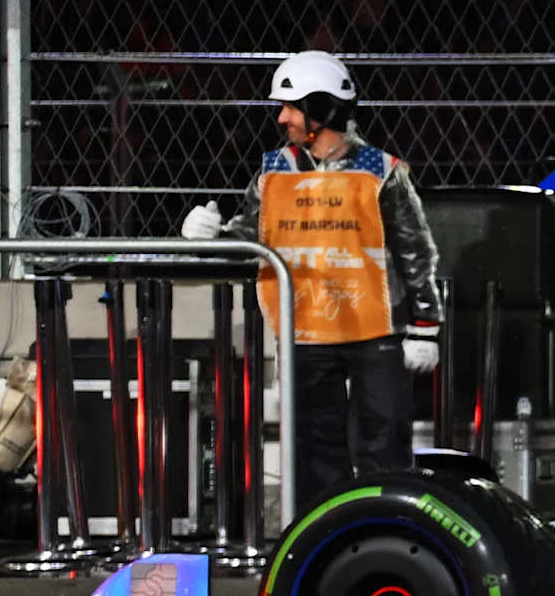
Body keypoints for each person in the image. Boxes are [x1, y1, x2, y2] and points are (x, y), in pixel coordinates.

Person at [184, 51, 442, 502]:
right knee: (316, 450)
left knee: (385, 443)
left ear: (321, 108)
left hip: (374, 328)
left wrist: (426, 326)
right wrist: (211, 236)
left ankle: (390, 534)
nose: (282, 117)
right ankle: (327, 540)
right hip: (306, 330)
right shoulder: (272, 173)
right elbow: (252, 238)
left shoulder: (382, 173)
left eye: (292, 107)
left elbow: (415, 250)